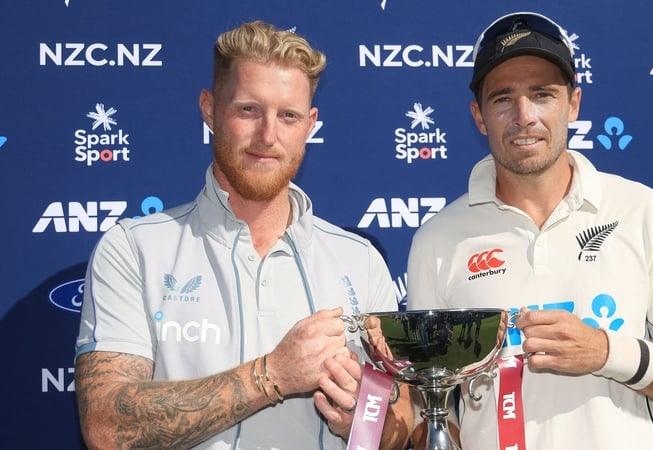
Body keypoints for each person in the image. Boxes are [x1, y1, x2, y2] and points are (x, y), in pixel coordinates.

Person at [74, 21, 411, 450]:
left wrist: (361, 420)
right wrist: (272, 375)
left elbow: (404, 420)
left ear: (309, 125)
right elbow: (106, 427)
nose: (268, 136)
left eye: (288, 116)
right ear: (210, 109)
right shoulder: (134, 249)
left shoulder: (359, 260)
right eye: (249, 110)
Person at [406, 11, 653, 450]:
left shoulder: (640, 211)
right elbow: (430, 411)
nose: (524, 116)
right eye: (503, 98)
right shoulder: (438, 239)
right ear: (479, 116)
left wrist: (605, 352)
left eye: (542, 94)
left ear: (573, 103)